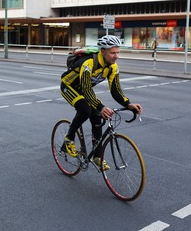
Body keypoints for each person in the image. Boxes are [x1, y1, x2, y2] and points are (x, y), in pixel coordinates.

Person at [60, 35, 142, 170]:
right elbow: (86, 89)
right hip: (69, 86)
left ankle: (97, 156)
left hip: (85, 91)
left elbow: (116, 91)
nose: (116, 56)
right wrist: (101, 106)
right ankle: (69, 139)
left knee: (97, 117)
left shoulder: (113, 67)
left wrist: (128, 104)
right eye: (112, 53)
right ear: (103, 52)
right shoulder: (89, 63)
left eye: (118, 52)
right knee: (85, 110)